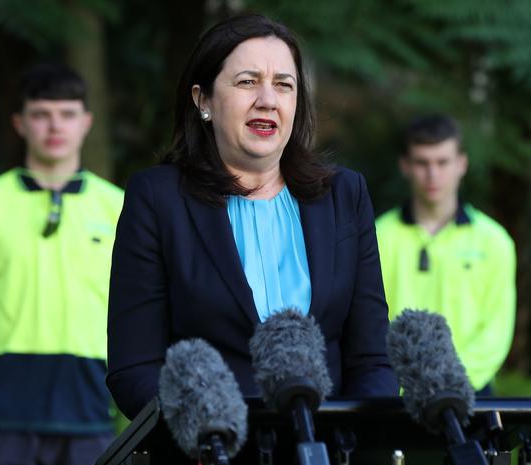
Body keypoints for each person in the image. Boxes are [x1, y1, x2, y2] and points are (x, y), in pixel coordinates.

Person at [106, 14, 399, 420]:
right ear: (203, 100)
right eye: (247, 82)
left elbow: (372, 360)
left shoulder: (344, 196)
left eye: (284, 84)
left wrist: (353, 437)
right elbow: (134, 367)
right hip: (208, 458)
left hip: (328, 458)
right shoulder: (157, 199)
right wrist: (207, 430)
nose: (268, 99)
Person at [0, 63, 124, 465]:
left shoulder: (119, 209)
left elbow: (131, 312)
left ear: (86, 123)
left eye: (66, 113)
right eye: (41, 114)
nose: (54, 126)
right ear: (20, 124)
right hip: (0, 413)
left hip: (89, 410)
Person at [376, 114, 516, 395]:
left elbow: (496, 333)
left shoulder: (494, 241)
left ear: (461, 164)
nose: (433, 174)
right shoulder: (377, 236)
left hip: (469, 392)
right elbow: (369, 322)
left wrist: (448, 382)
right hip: (397, 394)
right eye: (422, 163)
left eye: (442, 162)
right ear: (405, 166)